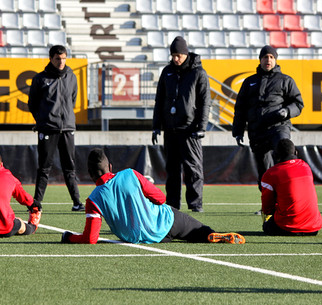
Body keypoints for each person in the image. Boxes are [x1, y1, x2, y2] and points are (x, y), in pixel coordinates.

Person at [61, 148, 245, 245]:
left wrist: (69, 237)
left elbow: (91, 238)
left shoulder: (93, 199)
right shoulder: (130, 174)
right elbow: (161, 199)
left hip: (138, 238)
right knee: (196, 229)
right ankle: (210, 234)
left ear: (90, 174)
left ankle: (204, 234)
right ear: (110, 167)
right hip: (165, 224)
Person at [152, 36, 211, 213]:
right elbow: (159, 100)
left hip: (190, 130)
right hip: (170, 130)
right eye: (173, 55)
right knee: (172, 171)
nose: (175, 59)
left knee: (193, 169)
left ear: (185, 54)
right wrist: (156, 126)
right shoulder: (167, 72)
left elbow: (204, 102)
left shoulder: (198, 73)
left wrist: (201, 127)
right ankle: (172, 205)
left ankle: (195, 205)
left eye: (178, 55)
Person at [232, 45, 304, 190]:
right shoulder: (249, 82)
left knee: (285, 160)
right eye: (265, 57)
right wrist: (238, 131)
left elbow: (298, 103)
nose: (268, 60)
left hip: (279, 127)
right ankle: (268, 205)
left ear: (276, 60)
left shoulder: (286, 80)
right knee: (264, 171)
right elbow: (240, 108)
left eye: (271, 57)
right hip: (257, 130)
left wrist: (287, 111)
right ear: (260, 60)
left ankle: (289, 196)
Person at [28, 45, 84, 212]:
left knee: (70, 167)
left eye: (64, 58)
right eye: (58, 58)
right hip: (47, 129)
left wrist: (65, 119)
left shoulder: (72, 77)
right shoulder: (39, 79)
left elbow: (72, 100)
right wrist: (43, 120)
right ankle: (37, 203)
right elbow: (33, 104)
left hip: (67, 128)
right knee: (44, 167)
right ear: (51, 59)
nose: (61, 62)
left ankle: (77, 202)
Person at [260, 139, 322, 236]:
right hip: (313, 228)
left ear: (275, 155)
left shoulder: (271, 173)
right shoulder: (306, 166)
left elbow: (267, 208)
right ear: (296, 152)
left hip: (287, 227)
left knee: (267, 226)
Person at [0, 153, 41, 238]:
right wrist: (34, 204)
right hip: (6, 227)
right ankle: (33, 226)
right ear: (1, 164)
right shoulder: (8, 176)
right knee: (20, 224)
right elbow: (24, 197)